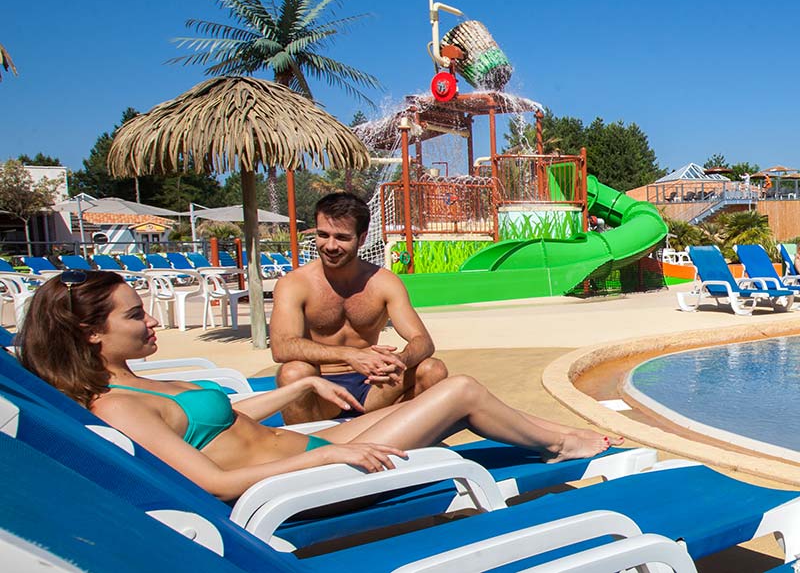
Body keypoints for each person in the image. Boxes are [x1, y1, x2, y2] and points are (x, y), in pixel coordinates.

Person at [17, 271, 621, 501]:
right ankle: (562, 446)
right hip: (311, 472)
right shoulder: (118, 405)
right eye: (133, 315)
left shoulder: (135, 381)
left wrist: (292, 397)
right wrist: (331, 451)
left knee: (448, 390)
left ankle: (557, 437)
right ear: (90, 333)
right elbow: (213, 481)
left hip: (306, 446)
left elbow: (217, 416)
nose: (150, 321)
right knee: (457, 392)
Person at [270, 192, 448, 424]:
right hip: (322, 388)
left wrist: (400, 360)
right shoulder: (295, 284)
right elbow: (282, 347)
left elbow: (423, 341)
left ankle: (409, 442)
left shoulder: (383, 282)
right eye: (323, 235)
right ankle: (308, 451)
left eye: (342, 238)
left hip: (374, 387)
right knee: (293, 373)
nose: (330, 246)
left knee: (433, 369)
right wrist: (350, 355)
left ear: (362, 238)